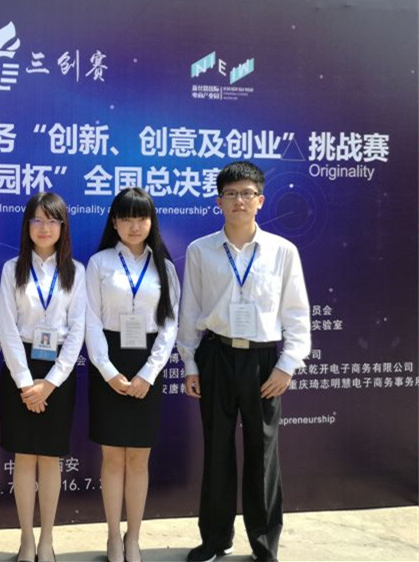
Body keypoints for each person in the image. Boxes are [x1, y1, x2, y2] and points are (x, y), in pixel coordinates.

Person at [177, 161, 310, 562]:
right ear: (219, 201)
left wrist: (287, 365)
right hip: (216, 355)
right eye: (231, 194)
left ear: (260, 201)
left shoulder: (282, 251)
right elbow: (190, 310)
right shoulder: (200, 250)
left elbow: (296, 313)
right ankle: (215, 539)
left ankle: (264, 543)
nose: (239, 200)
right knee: (217, 450)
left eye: (247, 193)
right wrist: (190, 364)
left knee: (263, 454)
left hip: (264, 362)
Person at [85, 187, 180, 562]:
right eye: (126, 218)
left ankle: (134, 538)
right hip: (108, 363)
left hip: (147, 365)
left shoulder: (165, 267)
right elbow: (91, 321)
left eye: (141, 217)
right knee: (112, 458)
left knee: (139, 459)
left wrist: (149, 374)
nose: (134, 225)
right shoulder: (99, 263)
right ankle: (113, 536)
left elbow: (169, 325)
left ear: (151, 221)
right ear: (114, 223)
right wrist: (108, 371)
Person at [0, 192, 86, 562]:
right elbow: (6, 327)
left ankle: (47, 539)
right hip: (20, 369)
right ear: (27, 226)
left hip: (58, 375)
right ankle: (26, 540)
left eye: (52, 220)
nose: (44, 227)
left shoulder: (76, 271)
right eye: (37, 220)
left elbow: (77, 330)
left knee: (50, 459)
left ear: (63, 227)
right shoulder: (11, 269)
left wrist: (50, 383)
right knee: (24, 458)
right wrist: (25, 382)